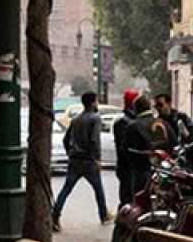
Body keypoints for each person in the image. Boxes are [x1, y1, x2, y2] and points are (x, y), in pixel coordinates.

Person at [52, 92, 112, 231]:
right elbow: (94, 141)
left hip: (75, 160)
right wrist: (97, 159)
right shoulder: (95, 118)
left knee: (66, 189)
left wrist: (70, 153)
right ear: (92, 103)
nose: (97, 104)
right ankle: (103, 215)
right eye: (96, 101)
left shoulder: (75, 119)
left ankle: (55, 216)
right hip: (88, 160)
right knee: (98, 189)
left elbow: (65, 140)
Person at [124, 95, 170, 196]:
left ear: (135, 109)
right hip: (165, 173)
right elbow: (175, 145)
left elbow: (126, 150)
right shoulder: (163, 123)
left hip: (141, 171)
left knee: (141, 201)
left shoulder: (133, 126)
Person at [154, 93, 193, 173]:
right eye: (156, 106)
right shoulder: (157, 122)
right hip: (165, 161)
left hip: (183, 159)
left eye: (160, 105)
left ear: (169, 104)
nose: (158, 108)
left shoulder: (181, 117)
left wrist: (185, 136)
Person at [113, 89, 140, 207]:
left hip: (129, 167)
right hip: (127, 167)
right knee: (127, 199)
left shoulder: (129, 121)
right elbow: (124, 148)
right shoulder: (123, 123)